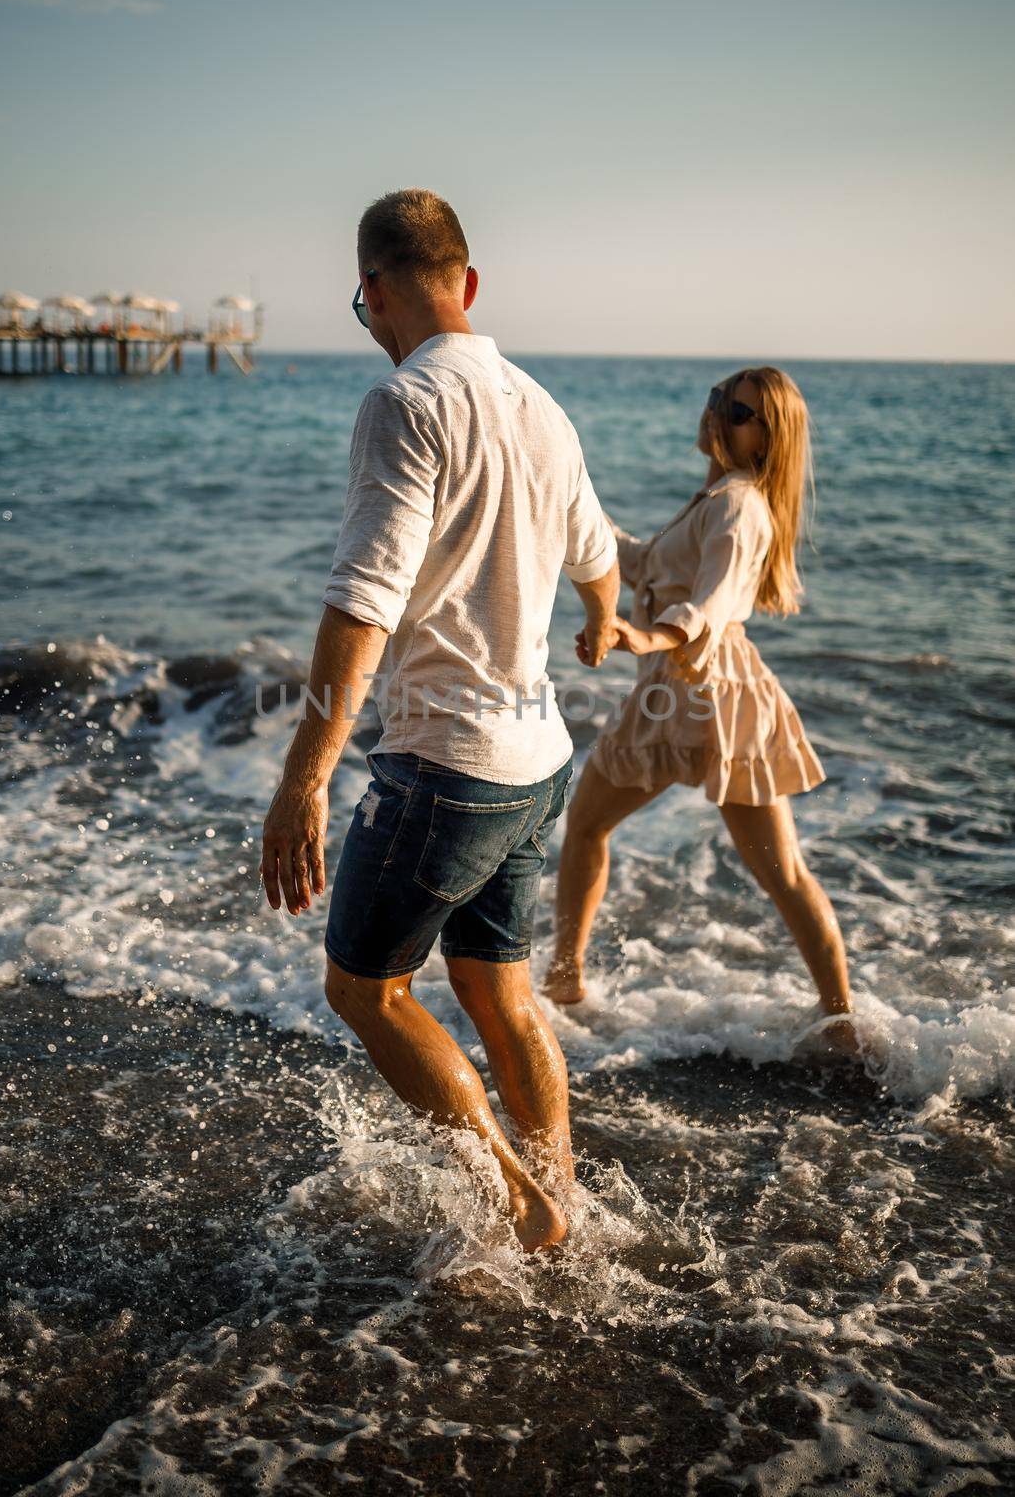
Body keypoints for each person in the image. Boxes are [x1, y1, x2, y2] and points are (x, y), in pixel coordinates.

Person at [261, 189, 620, 1252]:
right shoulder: (541, 406)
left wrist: (303, 780)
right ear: (467, 284)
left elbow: (362, 600)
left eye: (361, 300)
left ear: (372, 291)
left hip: (445, 770)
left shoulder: (402, 402)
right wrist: (597, 623)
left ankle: (522, 1203)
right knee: (496, 989)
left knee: (363, 992)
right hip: (537, 762)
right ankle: (562, 1193)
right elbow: (599, 559)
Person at [543, 369, 856, 1052]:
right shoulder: (713, 495)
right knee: (588, 822)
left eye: (737, 410)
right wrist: (572, 502)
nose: (716, 412)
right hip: (666, 693)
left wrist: (647, 635)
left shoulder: (741, 505)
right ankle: (564, 978)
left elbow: (711, 604)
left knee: (782, 872)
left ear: (767, 438)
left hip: (717, 695)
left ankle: (841, 1022)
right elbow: (641, 562)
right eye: (717, 397)